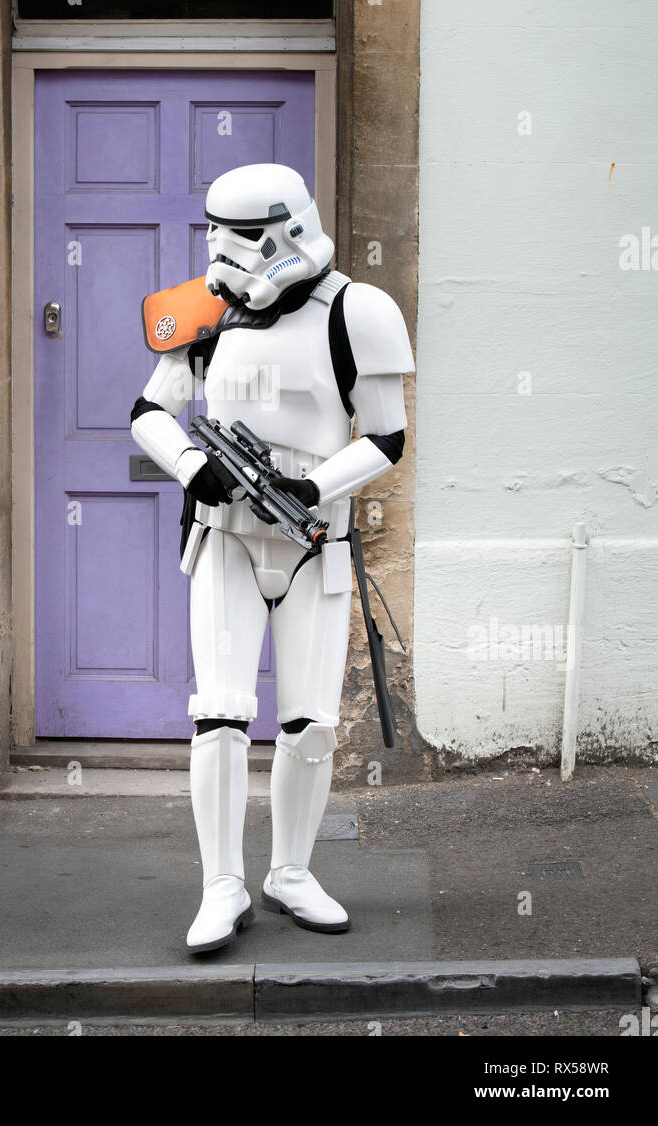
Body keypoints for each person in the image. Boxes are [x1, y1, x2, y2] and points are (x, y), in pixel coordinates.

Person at [130, 163, 414, 953]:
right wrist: (195, 466)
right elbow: (150, 410)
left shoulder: (358, 311)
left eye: (242, 239)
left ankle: (290, 870)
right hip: (223, 538)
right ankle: (222, 883)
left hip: (314, 542)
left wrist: (309, 485)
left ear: (287, 230)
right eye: (215, 236)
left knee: (311, 724)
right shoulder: (203, 311)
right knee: (218, 716)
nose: (224, 256)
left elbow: (386, 436)